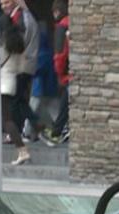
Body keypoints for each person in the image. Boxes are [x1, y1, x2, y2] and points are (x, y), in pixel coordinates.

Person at [1, 0, 43, 160]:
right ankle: (28, 130)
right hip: (22, 67)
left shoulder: (20, 20)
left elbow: (17, 45)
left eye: (6, 2)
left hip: (20, 68)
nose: (3, 6)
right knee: (18, 101)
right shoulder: (25, 17)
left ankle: (28, 132)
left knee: (15, 103)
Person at [0, 12, 29, 165]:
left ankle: (22, 150)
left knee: (6, 121)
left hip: (1, 83)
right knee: (4, 119)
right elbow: (21, 68)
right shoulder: (19, 45)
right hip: (11, 83)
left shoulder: (4, 45)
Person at [40, 0, 71, 146]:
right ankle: (62, 130)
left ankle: (57, 133)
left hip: (67, 73)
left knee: (65, 103)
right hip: (73, 70)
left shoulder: (61, 28)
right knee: (67, 103)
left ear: (57, 12)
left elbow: (60, 54)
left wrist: (59, 73)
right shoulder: (71, 24)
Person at [23, 22, 59, 143]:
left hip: (39, 88)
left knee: (31, 110)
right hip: (51, 87)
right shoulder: (49, 53)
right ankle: (62, 129)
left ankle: (27, 133)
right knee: (55, 111)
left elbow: (36, 70)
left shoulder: (41, 55)